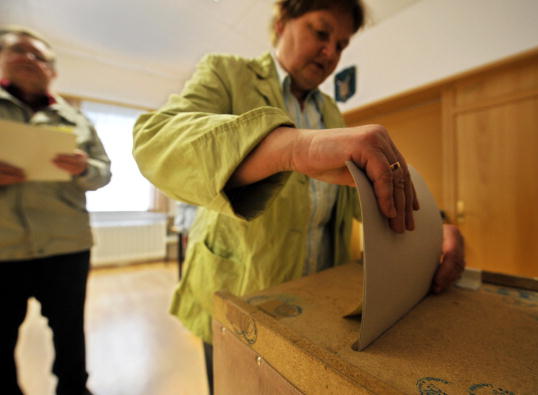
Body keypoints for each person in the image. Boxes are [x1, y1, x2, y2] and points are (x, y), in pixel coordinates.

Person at [133, 0, 465, 391]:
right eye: (321, 33)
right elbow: (156, 143)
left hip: (320, 301)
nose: (330, 54)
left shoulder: (331, 111)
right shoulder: (226, 73)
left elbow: (360, 195)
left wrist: (434, 227)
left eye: (341, 45)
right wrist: (292, 148)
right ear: (280, 23)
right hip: (238, 289)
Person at [0, 26, 111, 395]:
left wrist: (83, 169)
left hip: (67, 245)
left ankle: (74, 390)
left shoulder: (78, 120)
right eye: (19, 50)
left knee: (69, 330)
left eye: (39, 56)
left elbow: (104, 172)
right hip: (4, 248)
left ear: (52, 70)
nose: (29, 59)